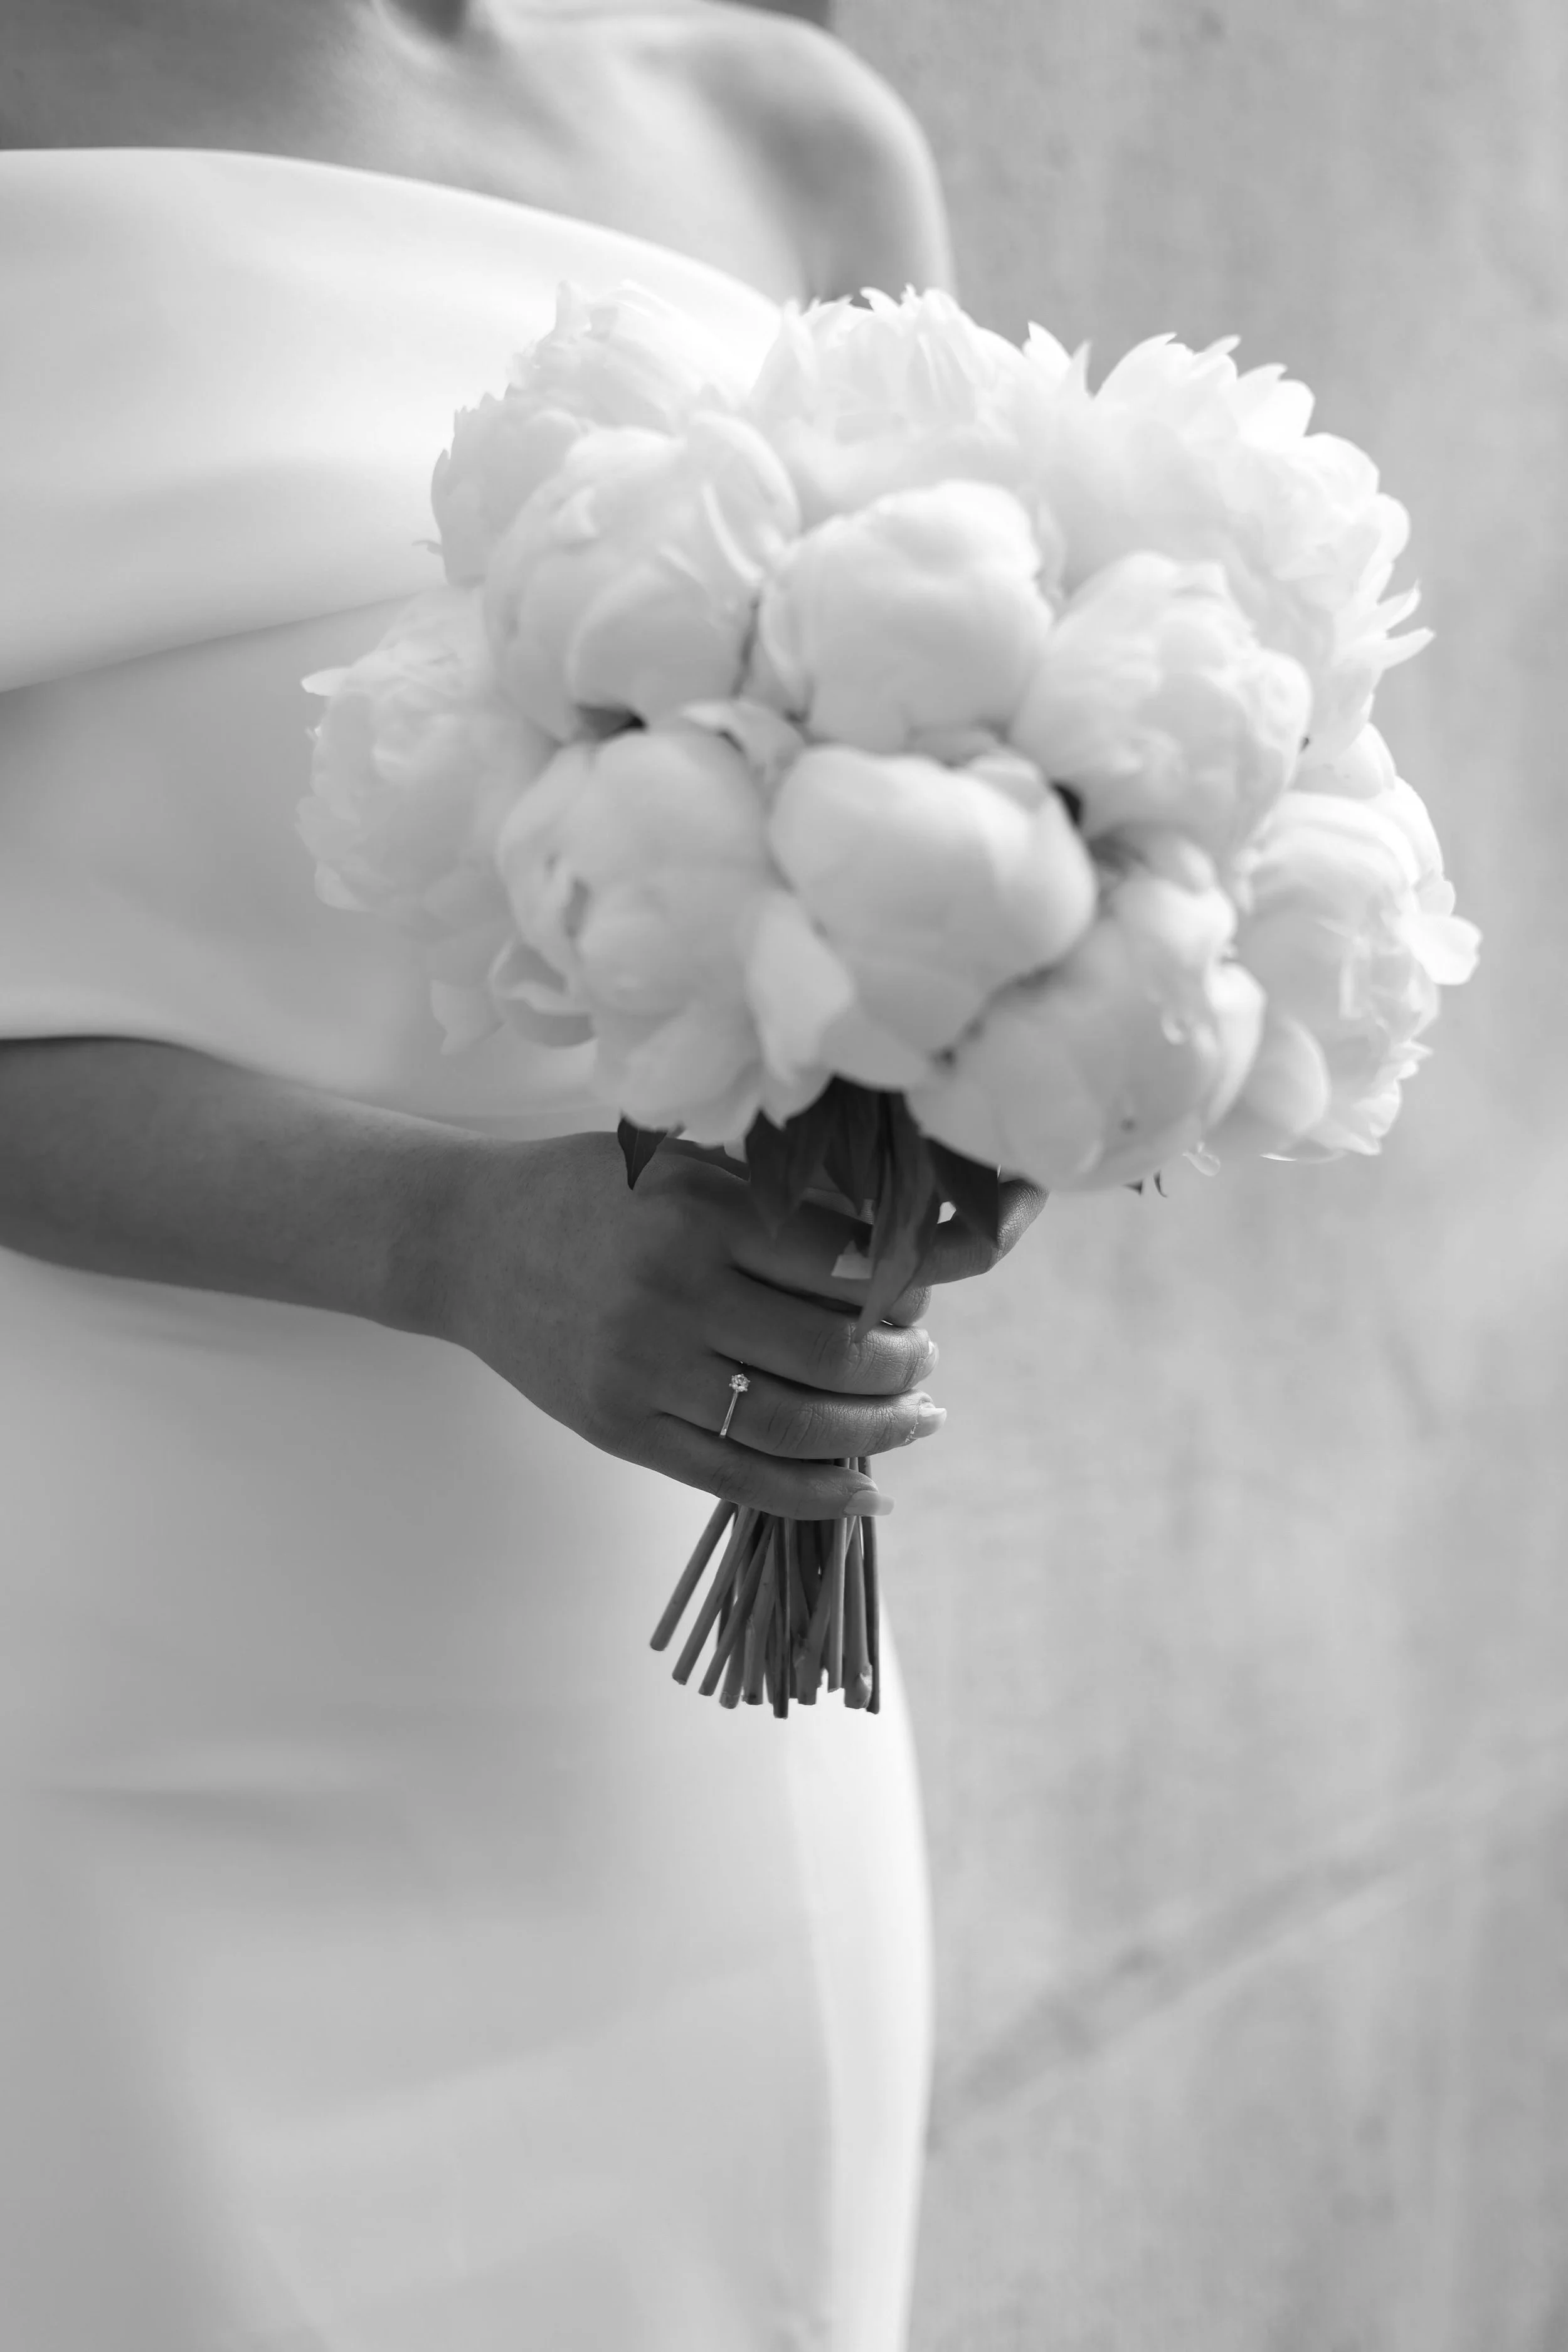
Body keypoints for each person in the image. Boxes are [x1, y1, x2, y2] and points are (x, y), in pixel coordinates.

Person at [0, 5, 1039, 2344]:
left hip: (677, 1717)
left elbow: (958, 820)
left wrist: (965, 1092)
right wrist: (442, 1232)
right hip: (101, 1717)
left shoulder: (792, 135)